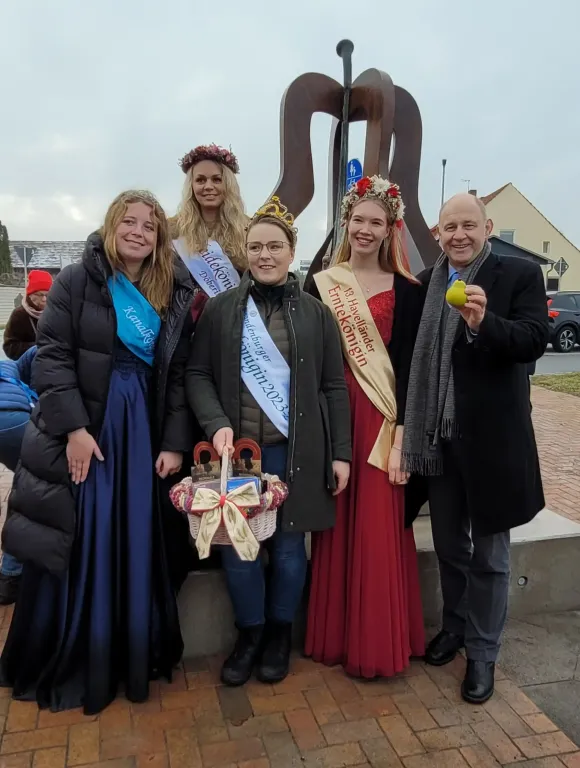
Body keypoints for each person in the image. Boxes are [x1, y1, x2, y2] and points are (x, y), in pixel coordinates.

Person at [0, 190, 195, 714]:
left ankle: (126, 652)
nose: (138, 231)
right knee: (84, 532)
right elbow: (52, 357)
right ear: (111, 226)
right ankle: (81, 652)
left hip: (141, 427)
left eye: (149, 226)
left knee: (133, 532)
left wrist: (174, 442)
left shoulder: (170, 288)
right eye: (128, 221)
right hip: (91, 424)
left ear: (159, 238)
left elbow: (177, 372)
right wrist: (75, 430)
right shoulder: (74, 280)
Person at [186, 196, 351, 686]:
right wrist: (215, 421)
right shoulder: (220, 310)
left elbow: (333, 386)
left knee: (288, 547)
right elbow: (197, 374)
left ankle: (280, 633)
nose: (265, 255)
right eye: (256, 246)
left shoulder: (318, 315)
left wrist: (341, 453)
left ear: (291, 250)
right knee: (239, 550)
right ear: (246, 251)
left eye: (275, 246)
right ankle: (250, 634)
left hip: (294, 452)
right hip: (239, 457)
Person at [402, 193, 549, 704]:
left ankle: (483, 653)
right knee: (449, 545)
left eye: (469, 225)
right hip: (438, 442)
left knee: (489, 555)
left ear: (487, 227)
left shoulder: (518, 275)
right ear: (438, 234)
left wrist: (485, 324)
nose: (459, 234)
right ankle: (455, 626)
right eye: (450, 227)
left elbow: (534, 339)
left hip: (491, 443)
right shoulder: (426, 284)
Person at [304, 175, 426, 678]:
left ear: (390, 228)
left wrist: (403, 437)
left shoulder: (409, 291)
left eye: (377, 222)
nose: (366, 230)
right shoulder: (320, 285)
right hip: (333, 414)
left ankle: (375, 642)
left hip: (382, 418)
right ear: (346, 222)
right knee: (337, 520)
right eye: (359, 220)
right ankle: (336, 634)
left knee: (377, 524)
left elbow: (413, 369)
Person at [172, 143, 248, 323]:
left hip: (235, 324)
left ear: (228, 184)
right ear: (191, 186)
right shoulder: (172, 230)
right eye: (200, 180)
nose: (208, 186)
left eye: (216, 179)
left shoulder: (249, 229)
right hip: (187, 325)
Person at [0, 346, 37, 604]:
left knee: (25, 483)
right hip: (10, 421)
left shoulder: (9, 366)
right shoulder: (20, 366)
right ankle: (11, 575)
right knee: (33, 486)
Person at [3, 270, 52, 360]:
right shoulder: (19, 315)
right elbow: (10, 347)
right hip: (29, 364)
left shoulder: (55, 312)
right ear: (30, 295)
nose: (44, 299)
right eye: (40, 295)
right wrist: (36, 348)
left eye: (47, 295)